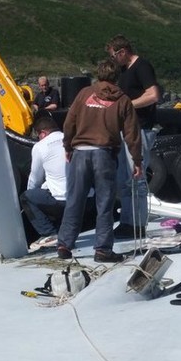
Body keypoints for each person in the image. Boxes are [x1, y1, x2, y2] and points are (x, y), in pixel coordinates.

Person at [57, 59, 142, 263]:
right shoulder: (123, 100)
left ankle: (64, 244)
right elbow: (132, 133)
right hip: (104, 154)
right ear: (117, 76)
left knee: (75, 199)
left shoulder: (84, 93)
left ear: (99, 73)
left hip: (80, 152)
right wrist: (137, 161)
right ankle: (103, 249)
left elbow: (69, 122)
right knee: (104, 203)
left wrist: (67, 146)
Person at [106, 35, 160, 239]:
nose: (113, 61)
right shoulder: (123, 72)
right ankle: (128, 222)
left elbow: (153, 95)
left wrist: (128, 105)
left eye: (113, 56)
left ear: (122, 52)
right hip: (125, 129)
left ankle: (138, 224)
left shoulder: (142, 66)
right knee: (125, 179)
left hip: (140, 129)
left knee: (136, 178)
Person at [20, 116, 67, 246]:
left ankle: (49, 233)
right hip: (86, 199)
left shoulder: (40, 147)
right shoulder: (70, 138)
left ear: (43, 133)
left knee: (27, 197)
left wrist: (33, 195)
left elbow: (34, 179)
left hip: (63, 201)